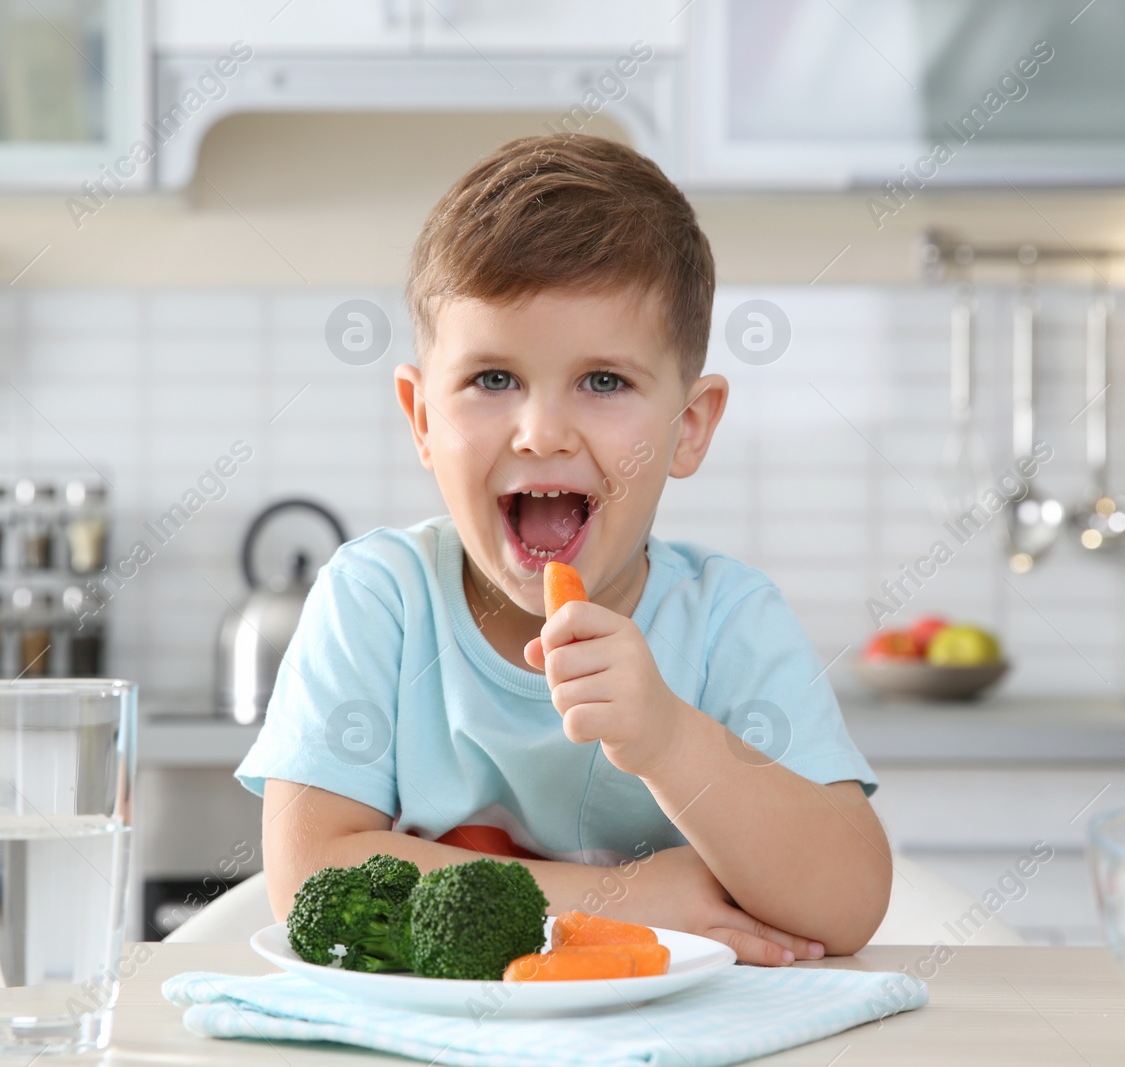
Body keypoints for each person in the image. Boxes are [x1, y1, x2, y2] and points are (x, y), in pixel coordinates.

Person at [238, 134, 891, 964]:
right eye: (494, 378)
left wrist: (668, 740)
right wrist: (629, 901)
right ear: (423, 419)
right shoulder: (378, 600)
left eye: (604, 381)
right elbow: (308, 877)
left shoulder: (729, 619)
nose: (542, 432)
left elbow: (849, 901)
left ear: (687, 429)